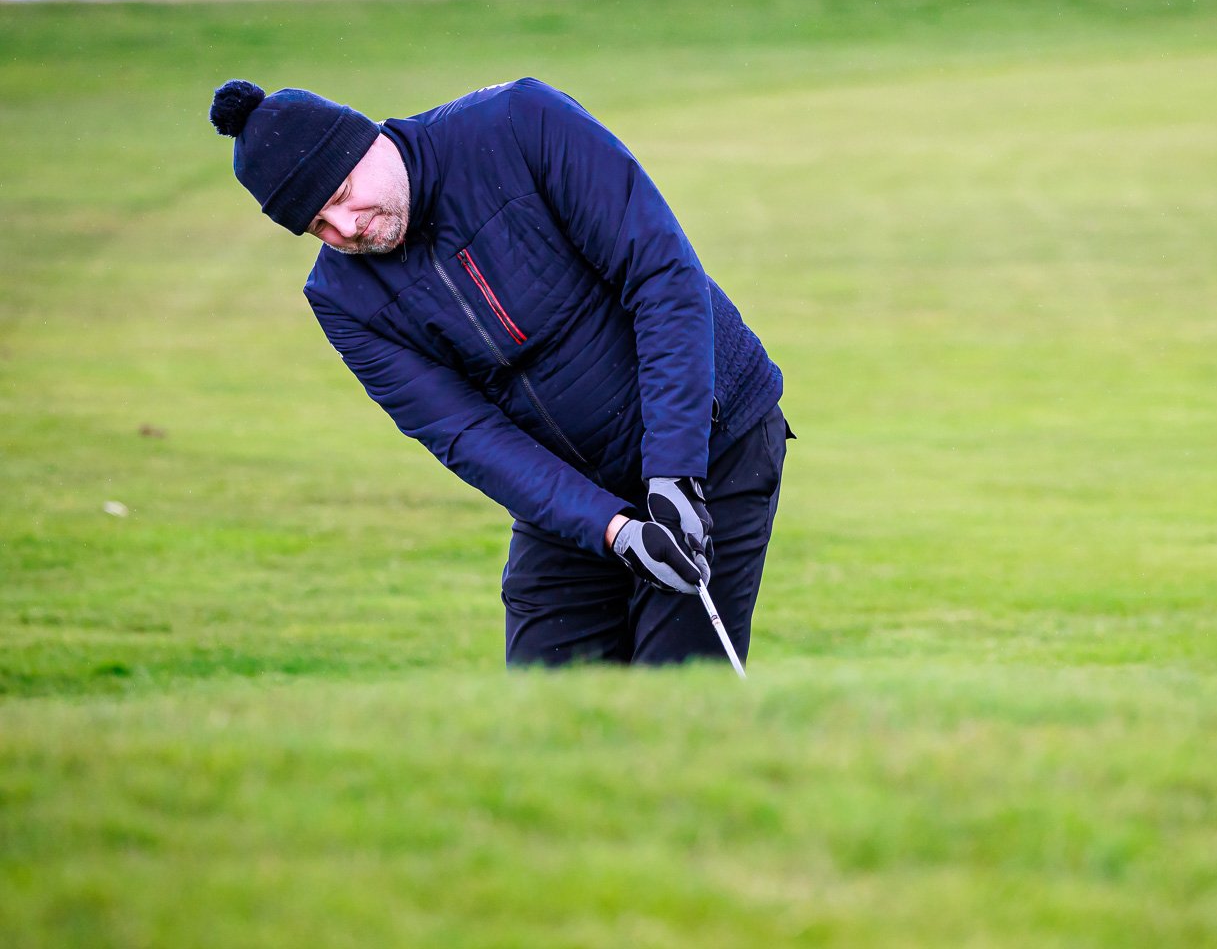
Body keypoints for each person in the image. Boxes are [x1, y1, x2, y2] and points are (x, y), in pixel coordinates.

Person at [208, 77, 790, 669]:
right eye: (318, 226)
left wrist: (673, 475)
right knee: (549, 714)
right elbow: (466, 436)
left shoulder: (517, 124)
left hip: (710, 440)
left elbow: (661, 278)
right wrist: (614, 529)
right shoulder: (341, 299)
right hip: (569, 496)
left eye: (343, 194)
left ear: (367, 143)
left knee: (675, 704)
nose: (346, 228)